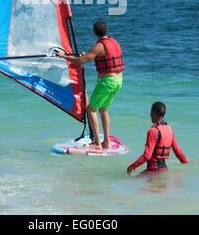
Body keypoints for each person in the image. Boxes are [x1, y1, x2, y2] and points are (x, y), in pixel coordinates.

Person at [56, 20, 124, 149]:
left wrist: (63, 56)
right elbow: (101, 56)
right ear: (107, 31)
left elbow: (80, 61)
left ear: (94, 33)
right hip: (119, 81)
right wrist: (88, 56)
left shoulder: (99, 46)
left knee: (91, 110)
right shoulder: (115, 42)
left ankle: (97, 143)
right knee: (103, 109)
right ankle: (106, 142)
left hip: (107, 82)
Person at [127, 102, 189, 175]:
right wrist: (186, 164)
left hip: (153, 171)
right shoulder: (169, 129)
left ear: (154, 113)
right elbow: (177, 151)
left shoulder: (153, 131)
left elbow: (147, 156)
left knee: (130, 180)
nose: (150, 114)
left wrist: (132, 166)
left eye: (151, 112)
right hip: (164, 170)